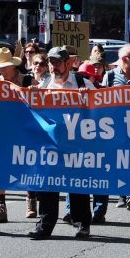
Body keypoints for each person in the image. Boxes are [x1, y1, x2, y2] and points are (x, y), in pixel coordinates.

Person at [28, 47, 95, 240]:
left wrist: (87, 100)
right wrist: (33, 96)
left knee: (77, 185)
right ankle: (45, 225)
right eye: (50, 62)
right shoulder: (45, 84)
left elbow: (100, 111)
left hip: (77, 143)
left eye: (57, 62)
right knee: (48, 184)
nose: (53, 66)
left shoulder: (83, 83)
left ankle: (82, 223)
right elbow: (34, 113)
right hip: (51, 144)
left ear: (68, 63)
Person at [100, 44, 130, 213]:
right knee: (119, 160)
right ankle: (122, 194)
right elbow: (101, 99)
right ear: (124, 59)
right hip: (115, 127)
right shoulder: (110, 76)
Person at [0, 48, 34, 223]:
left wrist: (34, 90)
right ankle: (1, 206)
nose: (1, 70)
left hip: (26, 129)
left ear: (13, 66)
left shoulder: (28, 80)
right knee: (0, 166)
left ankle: (31, 198)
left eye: (4, 67)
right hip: (4, 131)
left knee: (28, 163)